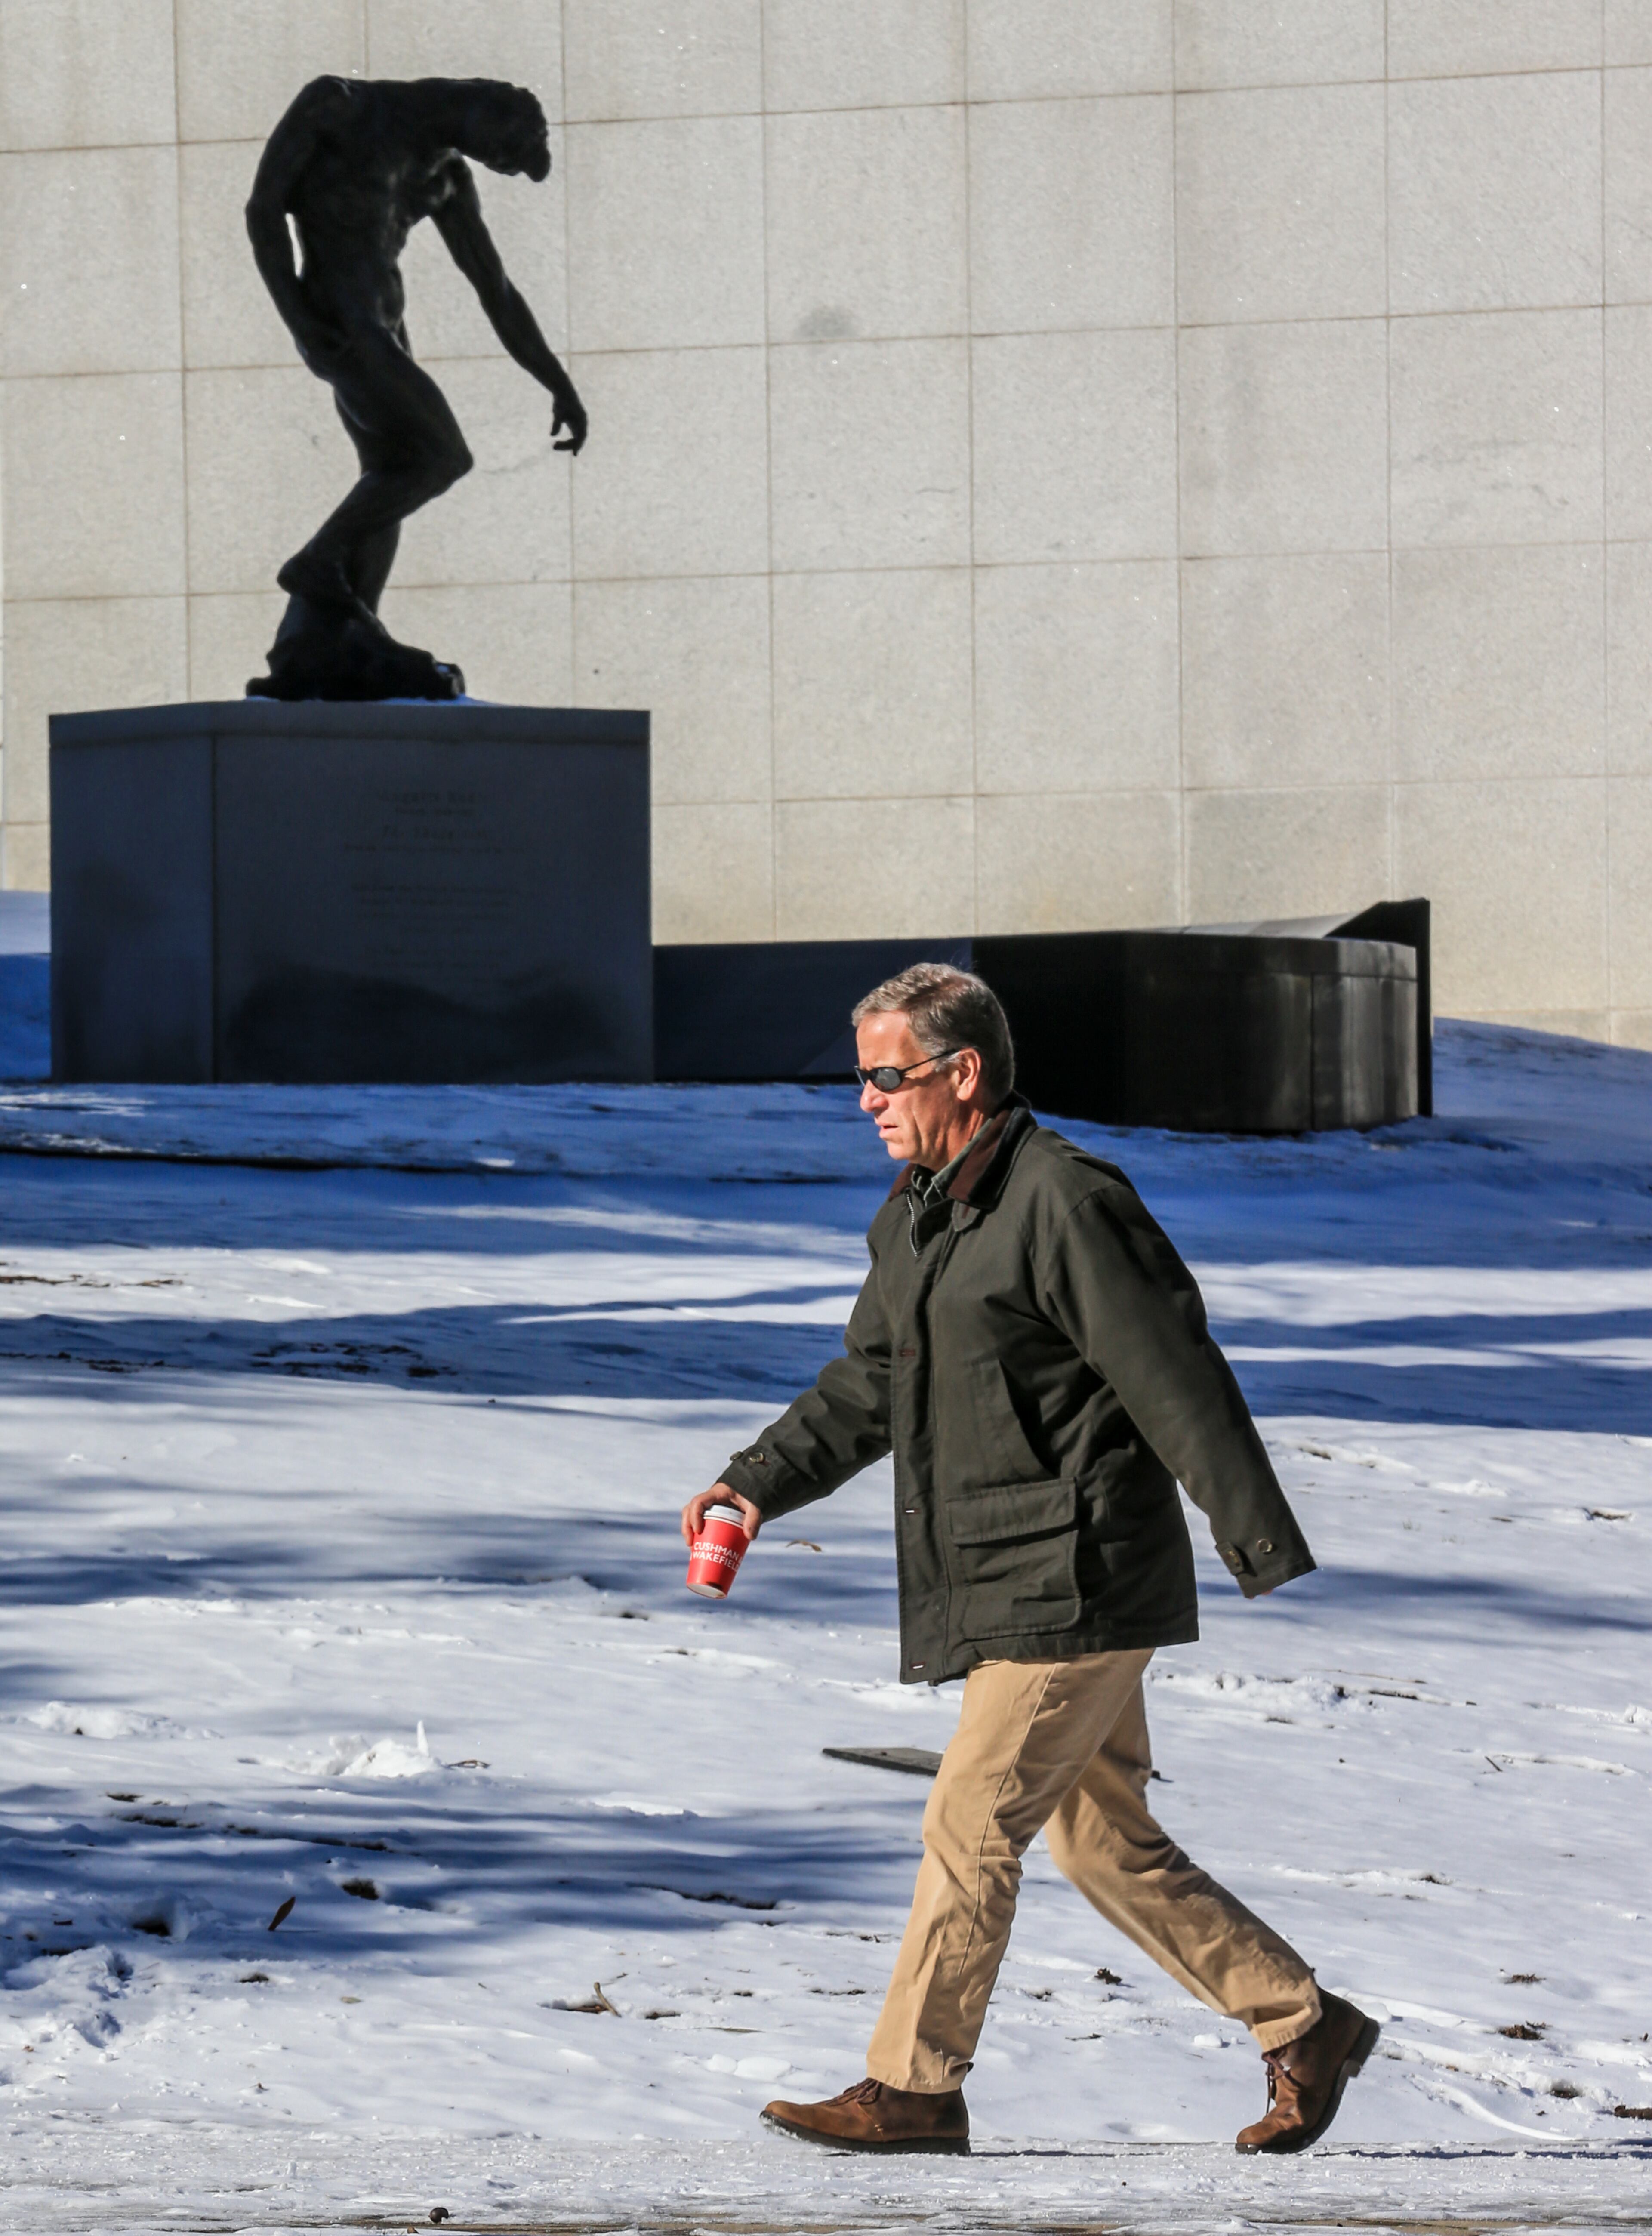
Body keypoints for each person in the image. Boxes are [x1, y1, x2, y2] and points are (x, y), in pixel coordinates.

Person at [681, 964, 1378, 2157]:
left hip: (1085, 1573)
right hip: (1016, 1568)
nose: (865, 1099)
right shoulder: (923, 1210)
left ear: (962, 1072)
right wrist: (756, 1477)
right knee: (1099, 1838)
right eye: (861, 1075)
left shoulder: (1061, 1199)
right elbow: (876, 1380)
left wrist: (1254, 1536)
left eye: (885, 1075)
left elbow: (1173, 1367)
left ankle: (914, 2085)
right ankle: (1302, 2023)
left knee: (972, 1811)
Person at [245, 75, 585, 694]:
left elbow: (496, 290)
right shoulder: (341, 107)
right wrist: (297, 315)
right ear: (485, 106)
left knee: (392, 474)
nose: (491, 162)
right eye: (501, 150)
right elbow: (263, 208)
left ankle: (328, 637)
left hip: (386, 331)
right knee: (442, 458)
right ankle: (316, 561)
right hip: (342, 325)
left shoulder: (448, 178)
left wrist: (556, 381)